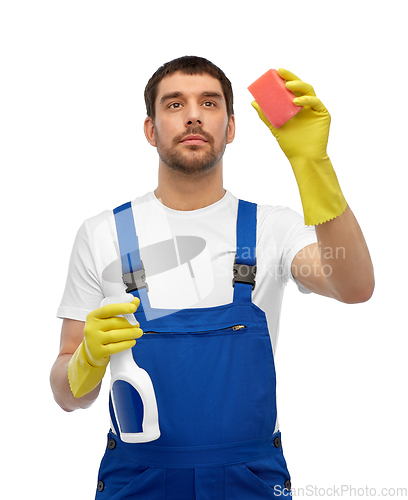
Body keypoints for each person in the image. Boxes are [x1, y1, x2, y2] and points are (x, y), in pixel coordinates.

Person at [50, 56, 374, 499]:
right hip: (138, 480)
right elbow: (66, 394)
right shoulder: (101, 234)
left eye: (209, 102)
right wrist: (86, 360)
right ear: (150, 129)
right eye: (174, 104)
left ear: (231, 127)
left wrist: (312, 163)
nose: (193, 114)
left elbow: (354, 285)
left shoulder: (271, 228)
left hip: (250, 481)